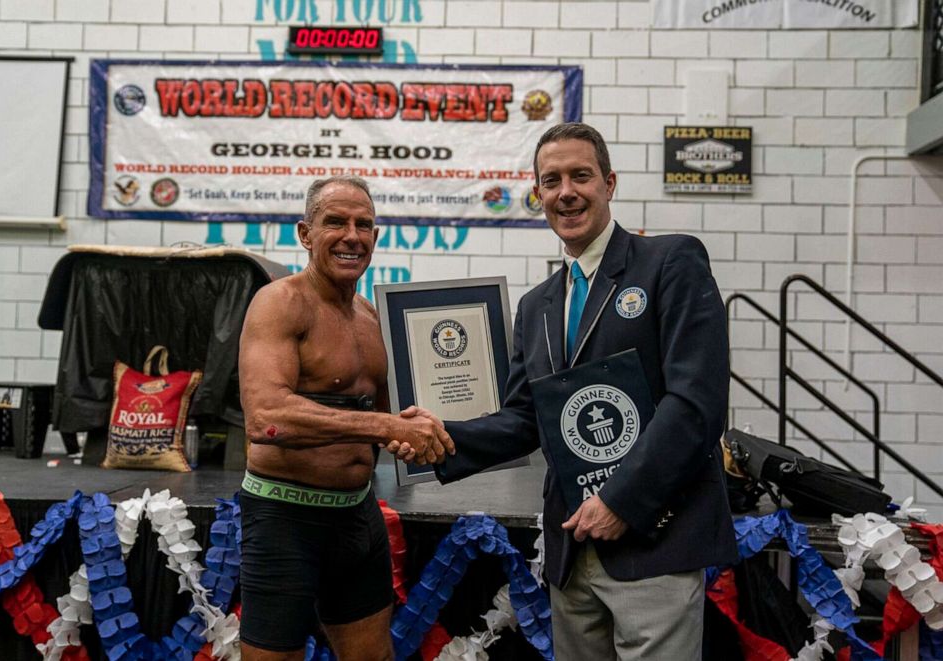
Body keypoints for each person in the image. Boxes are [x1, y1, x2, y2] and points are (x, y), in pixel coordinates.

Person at [391, 122, 738, 660]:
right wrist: (439, 437)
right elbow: (526, 419)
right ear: (538, 195)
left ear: (609, 183)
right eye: (551, 181)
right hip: (573, 547)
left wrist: (620, 501)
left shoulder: (670, 263)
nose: (566, 192)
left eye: (581, 175)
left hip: (654, 540)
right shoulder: (537, 306)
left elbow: (696, 406)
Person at [237, 175, 453, 661]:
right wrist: (386, 427)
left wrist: (413, 427)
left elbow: (387, 420)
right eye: (335, 222)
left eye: (364, 225)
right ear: (305, 233)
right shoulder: (280, 303)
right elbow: (267, 417)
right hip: (285, 519)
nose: (352, 235)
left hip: (357, 517)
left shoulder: (371, 316)